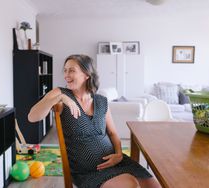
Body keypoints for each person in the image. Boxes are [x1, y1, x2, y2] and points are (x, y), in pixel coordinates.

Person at [28, 54, 161, 188]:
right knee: (130, 184)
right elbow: (32, 116)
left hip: (116, 161)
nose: (66, 75)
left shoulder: (101, 101)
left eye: (72, 70)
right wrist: (60, 98)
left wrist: (119, 154)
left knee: (154, 186)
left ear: (87, 74)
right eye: (65, 70)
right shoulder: (60, 93)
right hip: (88, 171)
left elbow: (113, 133)